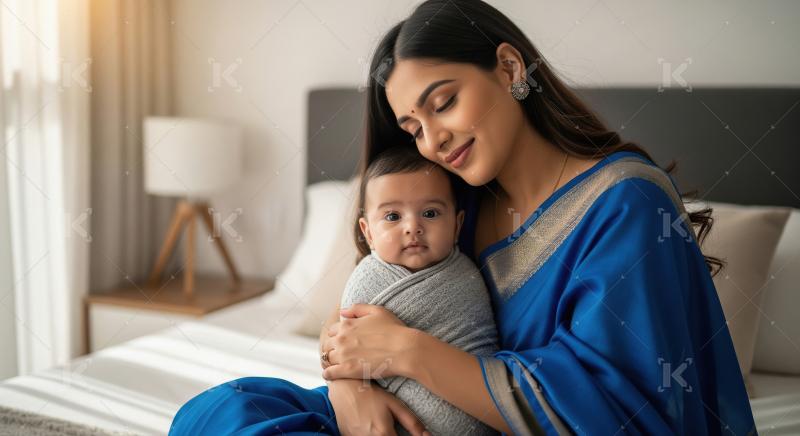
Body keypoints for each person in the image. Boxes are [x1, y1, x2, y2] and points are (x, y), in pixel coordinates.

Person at [169, 1, 756, 435]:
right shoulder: (452, 205)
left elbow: (618, 407)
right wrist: (349, 391)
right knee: (225, 412)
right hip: (407, 415)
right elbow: (363, 317)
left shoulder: (626, 201)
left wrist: (406, 353)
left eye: (443, 102)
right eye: (413, 127)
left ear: (507, 68)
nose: (433, 139)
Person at [339, 145, 499, 435]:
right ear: (368, 233)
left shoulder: (467, 277)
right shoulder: (365, 280)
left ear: (457, 225)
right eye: (392, 217)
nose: (413, 227)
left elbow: (480, 345)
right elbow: (346, 349)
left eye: (430, 212)